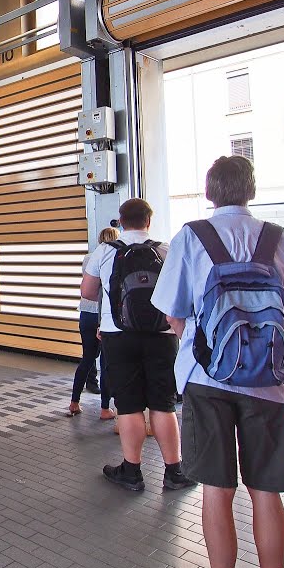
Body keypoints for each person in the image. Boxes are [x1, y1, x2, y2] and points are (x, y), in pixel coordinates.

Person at [151, 156, 284, 568]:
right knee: (266, 491)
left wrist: (208, 345)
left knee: (217, 490)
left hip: (207, 382)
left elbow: (173, 313)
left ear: (210, 193)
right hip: (269, 385)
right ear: (251, 191)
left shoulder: (191, 237)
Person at [80, 198, 195, 492]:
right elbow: (181, 292)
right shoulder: (165, 251)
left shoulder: (105, 252)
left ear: (121, 220)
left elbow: (88, 292)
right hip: (162, 335)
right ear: (149, 220)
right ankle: (174, 470)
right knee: (163, 404)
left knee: (129, 405)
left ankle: (131, 471)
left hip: (118, 335)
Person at [69, 227, 118, 418]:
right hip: (105, 315)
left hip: (86, 314)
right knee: (106, 362)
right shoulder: (117, 257)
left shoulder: (89, 258)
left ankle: (74, 402)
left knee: (87, 358)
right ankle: (105, 408)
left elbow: (88, 286)